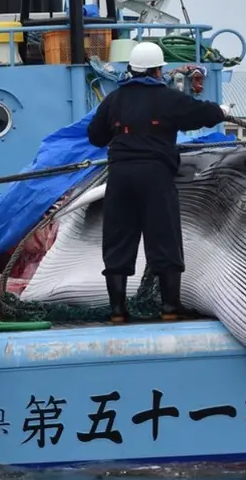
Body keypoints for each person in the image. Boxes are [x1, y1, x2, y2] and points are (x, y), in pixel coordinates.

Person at [87, 41, 230, 324]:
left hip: (121, 177)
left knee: (118, 239)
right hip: (156, 176)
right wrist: (223, 111)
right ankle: (169, 308)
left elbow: (95, 136)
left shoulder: (114, 100)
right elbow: (201, 113)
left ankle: (117, 311)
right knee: (164, 238)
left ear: (132, 69)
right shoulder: (168, 98)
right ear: (156, 71)